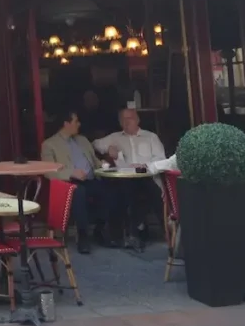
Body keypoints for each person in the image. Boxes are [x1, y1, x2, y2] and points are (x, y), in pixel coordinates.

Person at [41, 110, 119, 254]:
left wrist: (103, 164)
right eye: (76, 121)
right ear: (66, 124)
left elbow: (94, 161)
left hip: (90, 180)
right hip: (69, 183)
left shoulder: (82, 140)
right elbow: (48, 171)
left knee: (110, 190)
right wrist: (71, 173)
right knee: (79, 192)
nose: (79, 124)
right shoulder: (49, 144)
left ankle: (100, 230)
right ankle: (83, 235)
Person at [93, 108, 166, 246]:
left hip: (148, 177)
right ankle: (133, 232)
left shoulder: (150, 137)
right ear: (120, 123)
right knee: (122, 190)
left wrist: (143, 166)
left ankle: (166, 231)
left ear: (138, 120)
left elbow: (161, 160)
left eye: (130, 118)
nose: (127, 122)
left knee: (152, 191)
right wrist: (109, 150)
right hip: (126, 179)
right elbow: (95, 144)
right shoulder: (115, 137)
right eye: (123, 119)